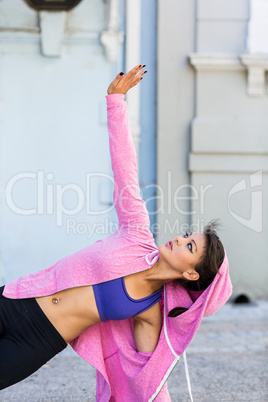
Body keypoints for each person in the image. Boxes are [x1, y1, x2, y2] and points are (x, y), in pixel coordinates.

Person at [0, 65, 232, 400]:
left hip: (39, 341)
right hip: (16, 301)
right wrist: (116, 102)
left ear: (191, 271)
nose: (179, 238)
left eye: (189, 244)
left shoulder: (149, 312)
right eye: (186, 235)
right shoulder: (137, 235)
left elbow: (148, 378)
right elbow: (125, 170)